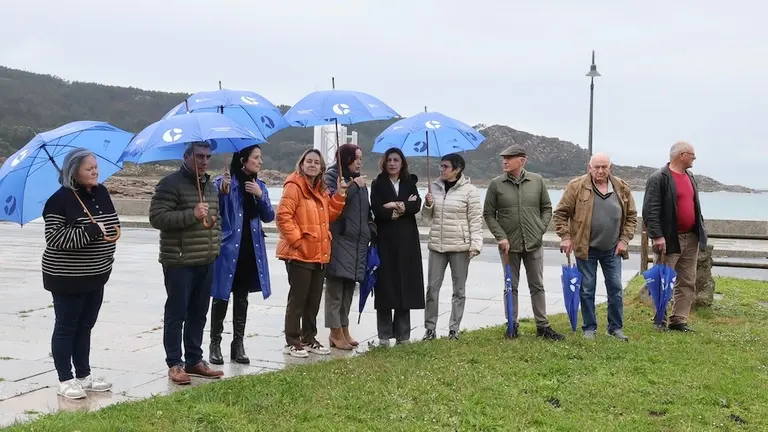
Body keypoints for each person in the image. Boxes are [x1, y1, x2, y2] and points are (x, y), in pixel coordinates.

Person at [42, 147, 120, 399]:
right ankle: (65, 378)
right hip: (67, 277)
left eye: (96, 167)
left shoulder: (101, 192)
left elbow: (111, 221)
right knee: (66, 326)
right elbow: (54, 238)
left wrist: (110, 234)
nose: (95, 171)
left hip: (96, 274)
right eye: (89, 168)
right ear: (74, 172)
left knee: (85, 326)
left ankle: (84, 375)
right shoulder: (59, 200)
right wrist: (90, 232)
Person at [149, 141, 224, 384]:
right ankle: (174, 362)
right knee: (177, 312)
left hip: (206, 258)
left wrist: (216, 244)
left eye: (207, 157)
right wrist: (191, 214)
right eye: (199, 156)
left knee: (199, 312)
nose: (204, 161)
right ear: (186, 156)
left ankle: (194, 359)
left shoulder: (210, 186)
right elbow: (157, 217)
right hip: (179, 260)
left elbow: (216, 218)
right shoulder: (170, 183)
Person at [483, 144, 564, 341]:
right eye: (503, 158)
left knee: (537, 285)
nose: (504, 161)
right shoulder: (496, 184)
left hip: (533, 243)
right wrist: (500, 237)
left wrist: (540, 228)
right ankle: (512, 325)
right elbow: (488, 213)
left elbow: (546, 208)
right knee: (511, 287)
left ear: (522, 160)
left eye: (509, 158)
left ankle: (542, 326)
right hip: (508, 245)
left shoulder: (537, 181)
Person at [553, 153, 637, 341]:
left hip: (613, 249)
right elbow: (560, 214)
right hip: (586, 248)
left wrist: (624, 240)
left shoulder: (621, 187)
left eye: (604, 167)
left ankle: (615, 327)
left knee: (615, 287)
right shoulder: (576, 186)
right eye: (596, 167)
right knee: (587, 288)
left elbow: (631, 216)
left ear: (610, 167)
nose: (600, 171)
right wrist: (566, 237)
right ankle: (589, 327)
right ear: (589, 167)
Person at [276, 149, 348, 358]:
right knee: (298, 299)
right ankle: (292, 340)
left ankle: (309, 338)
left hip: (319, 252)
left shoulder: (321, 189)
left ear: (322, 168)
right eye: (309, 161)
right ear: (302, 163)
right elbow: (283, 216)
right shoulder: (294, 186)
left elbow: (330, 215)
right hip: (299, 253)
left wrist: (340, 194)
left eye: (317, 162)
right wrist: (298, 242)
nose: (312, 165)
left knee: (313, 299)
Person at [209, 145, 274, 365]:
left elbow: (268, 216)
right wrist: (220, 191)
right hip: (228, 250)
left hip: (250, 249)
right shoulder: (225, 184)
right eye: (256, 158)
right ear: (243, 160)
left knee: (242, 297)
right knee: (221, 296)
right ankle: (214, 343)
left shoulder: (259, 186)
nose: (260, 162)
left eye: (260, 158)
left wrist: (260, 196)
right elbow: (213, 212)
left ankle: (238, 344)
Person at [642, 141, 707, 332]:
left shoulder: (690, 176)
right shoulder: (659, 178)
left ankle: (679, 320)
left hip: (691, 237)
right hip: (669, 238)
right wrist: (657, 236)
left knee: (687, 280)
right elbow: (650, 210)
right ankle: (659, 319)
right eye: (692, 155)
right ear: (681, 155)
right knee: (663, 280)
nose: (694, 158)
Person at [420, 153, 483, 341]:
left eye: (445, 166)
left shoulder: (470, 191)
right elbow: (426, 219)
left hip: (460, 247)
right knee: (432, 288)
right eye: (440, 166)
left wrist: (475, 244)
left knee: (459, 290)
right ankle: (430, 329)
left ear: (457, 169)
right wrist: (428, 204)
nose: (441, 169)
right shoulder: (434, 187)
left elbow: (475, 219)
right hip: (437, 246)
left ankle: (453, 329)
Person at [370, 148, 425, 346]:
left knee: (405, 287)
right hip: (385, 239)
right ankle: (384, 335)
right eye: (389, 160)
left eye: (396, 160)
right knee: (385, 286)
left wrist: (393, 205)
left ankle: (403, 335)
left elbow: (415, 205)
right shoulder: (378, 184)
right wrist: (402, 206)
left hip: (407, 241)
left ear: (402, 163)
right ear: (384, 163)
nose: (392, 163)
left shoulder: (410, 182)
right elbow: (377, 208)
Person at [323, 144, 375, 350]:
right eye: (356, 158)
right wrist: (353, 186)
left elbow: (365, 210)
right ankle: (335, 331)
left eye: (361, 158)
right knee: (335, 289)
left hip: (357, 243)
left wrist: (371, 228)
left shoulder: (358, 179)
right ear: (345, 159)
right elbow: (333, 204)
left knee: (348, 289)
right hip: (341, 240)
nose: (359, 162)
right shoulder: (332, 177)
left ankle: (344, 328)